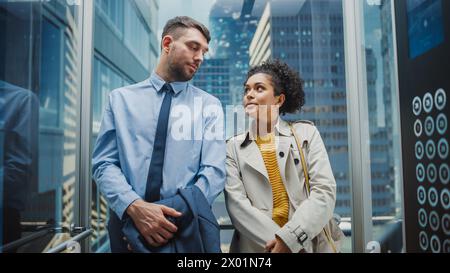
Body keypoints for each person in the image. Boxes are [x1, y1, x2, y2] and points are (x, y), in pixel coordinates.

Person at [92, 16, 226, 253]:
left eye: (204, 51)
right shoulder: (120, 99)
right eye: (193, 47)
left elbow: (213, 173)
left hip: (184, 231)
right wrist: (135, 209)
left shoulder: (210, 106)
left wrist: (165, 222)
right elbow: (104, 164)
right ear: (167, 44)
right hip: (126, 229)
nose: (200, 58)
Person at [225, 60, 343, 253]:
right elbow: (238, 207)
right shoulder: (233, 147)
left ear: (279, 100)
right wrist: (281, 244)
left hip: (306, 244)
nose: (249, 95)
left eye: (259, 88)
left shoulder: (306, 133)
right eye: (247, 90)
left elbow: (324, 191)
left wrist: (291, 240)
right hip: (260, 249)